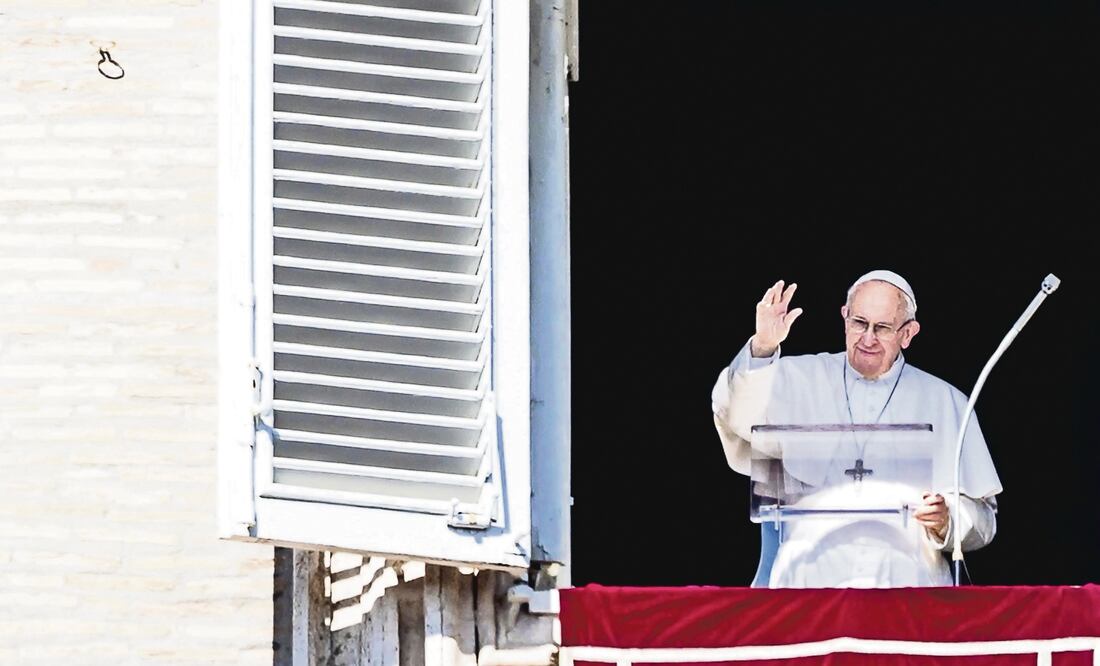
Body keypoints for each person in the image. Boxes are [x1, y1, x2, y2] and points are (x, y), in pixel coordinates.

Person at [711, 270, 1002, 588]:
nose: (867, 338)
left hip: (908, 587)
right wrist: (763, 347)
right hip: (807, 583)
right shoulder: (796, 378)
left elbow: (982, 518)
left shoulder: (945, 401)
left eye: (883, 328)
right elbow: (736, 418)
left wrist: (948, 518)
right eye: (859, 323)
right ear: (845, 317)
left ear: (908, 333)